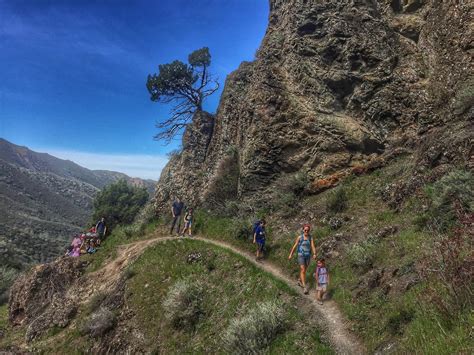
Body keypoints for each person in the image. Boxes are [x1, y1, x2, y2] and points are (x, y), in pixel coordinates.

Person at [288, 224, 317, 294]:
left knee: (304, 270)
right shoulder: (300, 237)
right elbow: (295, 246)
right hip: (301, 255)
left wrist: (314, 253)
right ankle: (304, 287)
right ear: (303, 230)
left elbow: (312, 246)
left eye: (308, 230)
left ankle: (299, 280)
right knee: (303, 269)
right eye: (305, 230)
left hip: (308, 255)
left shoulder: (310, 238)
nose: (306, 231)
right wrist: (291, 254)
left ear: (309, 230)